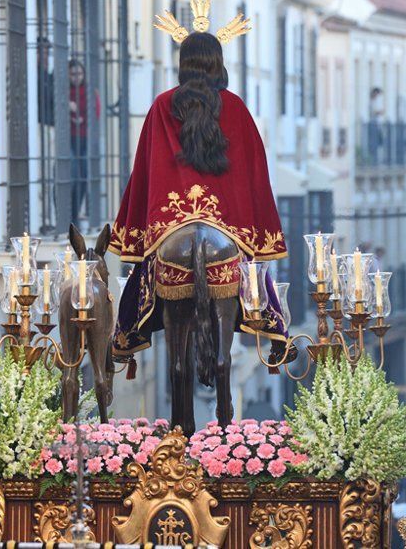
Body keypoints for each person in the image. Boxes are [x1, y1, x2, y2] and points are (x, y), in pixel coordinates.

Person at [109, 31, 288, 359]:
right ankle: (278, 334)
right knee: (254, 274)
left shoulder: (162, 105)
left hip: (171, 228)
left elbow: (146, 171)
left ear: (183, 64)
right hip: (226, 229)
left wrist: (140, 229)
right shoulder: (235, 107)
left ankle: (125, 339)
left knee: (140, 283)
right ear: (218, 62)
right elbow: (253, 174)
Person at [68, 59, 99, 224]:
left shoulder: (88, 92)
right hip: (69, 139)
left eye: (79, 73)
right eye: (72, 74)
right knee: (69, 177)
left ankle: (75, 214)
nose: (76, 77)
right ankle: (70, 214)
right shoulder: (65, 91)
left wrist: (78, 115)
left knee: (83, 177)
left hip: (84, 139)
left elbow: (94, 114)